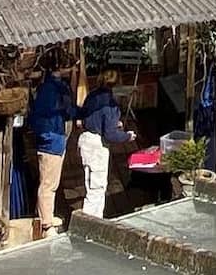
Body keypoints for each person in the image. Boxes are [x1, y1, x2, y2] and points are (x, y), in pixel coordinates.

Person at [77, 69, 136, 219]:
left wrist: (112, 123)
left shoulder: (92, 95)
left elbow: (85, 116)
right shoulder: (110, 104)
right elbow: (110, 135)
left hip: (85, 140)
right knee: (97, 189)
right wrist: (127, 136)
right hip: (97, 145)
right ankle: (91, 224)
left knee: (89, 184)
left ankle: (91, 221)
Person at [28, 66, 76, 236]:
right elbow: (65, 112)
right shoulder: (55, 91)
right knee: (48, 184)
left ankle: (44, 216)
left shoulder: (46, 89)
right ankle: (47, 225)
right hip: (52, 140)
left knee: (48, 182)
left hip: (51, 139)